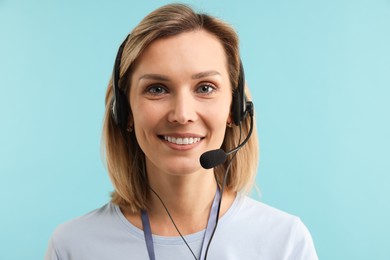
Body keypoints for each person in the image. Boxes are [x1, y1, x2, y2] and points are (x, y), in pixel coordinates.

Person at [45, 3, 318, 260]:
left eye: (205, 88)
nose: (182, 115)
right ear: (125, 112)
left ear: (234, 110)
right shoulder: (73, 246)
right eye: (157, 89)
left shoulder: (285, 243)